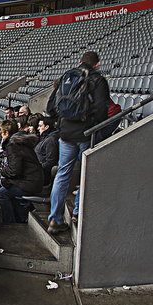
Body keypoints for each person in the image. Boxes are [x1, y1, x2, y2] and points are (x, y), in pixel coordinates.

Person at [45, 51, 110, 232]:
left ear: (80, 62)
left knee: (62, 175)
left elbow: (51, 108)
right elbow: (101, 110)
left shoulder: (67, 76)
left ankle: (55, 220)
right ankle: (77, 212)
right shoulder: (97, 80)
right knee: (86, 174)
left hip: (66, 135)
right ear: (97, 64)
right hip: (86, 133)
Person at [0, 120, 45, 224]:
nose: (0, 134)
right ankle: (21, 217)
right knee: (8, 189)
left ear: (7, 133)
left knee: (2, 193)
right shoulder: (19, 142)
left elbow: (14, 170)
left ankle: (9, 223)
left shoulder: (13, 145)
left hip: (31, 183)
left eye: (1, 132)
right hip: (33, 180)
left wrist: (3, 171)